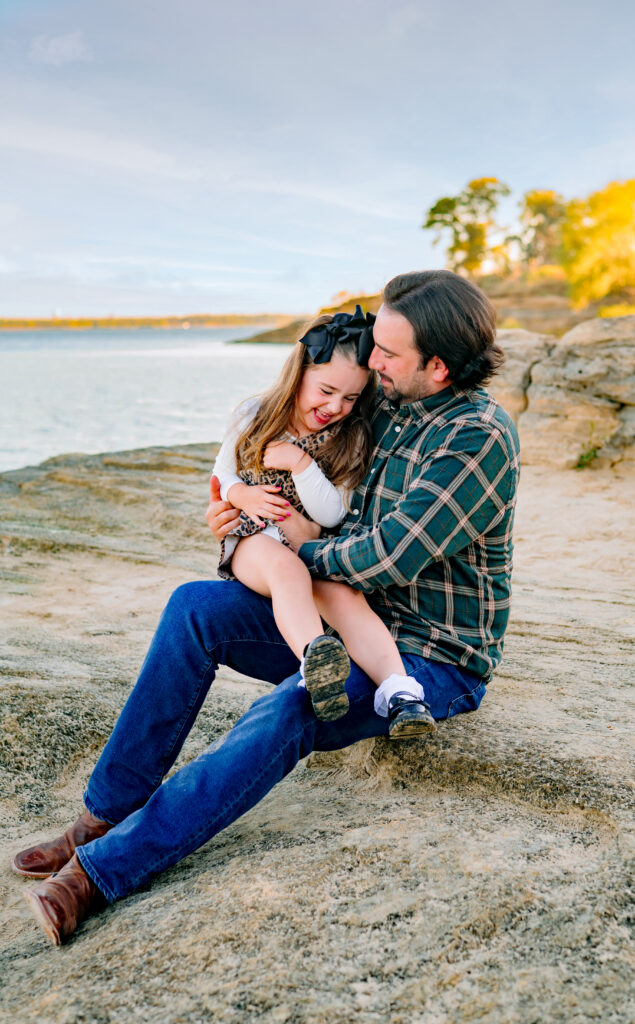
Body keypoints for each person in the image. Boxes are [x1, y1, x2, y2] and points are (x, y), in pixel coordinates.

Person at [13, 269, 520, 948]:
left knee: (294, 703)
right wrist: (234, 512)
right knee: (195, 607)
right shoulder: (385, 404)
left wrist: (279, 549)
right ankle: (104, 816)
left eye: (388, 353)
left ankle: (100, 874)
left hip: (430, 653)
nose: (372, 361)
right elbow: (279, 444)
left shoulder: (476, 435)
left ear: (436, 366)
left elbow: (384, 559)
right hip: (345, 615)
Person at [211, 306, 434, 734]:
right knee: (285, 570)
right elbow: (222, 473)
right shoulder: (253, 414)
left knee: (346, 597)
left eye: (350, 398)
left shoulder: (349, 439)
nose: (335, 406)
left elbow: (333, 512)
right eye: (326, 390)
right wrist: (241, 494)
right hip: (253, 539)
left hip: (315, 546)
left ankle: (401, 692)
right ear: (299, 375)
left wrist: (301, 466)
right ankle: (318, 660)